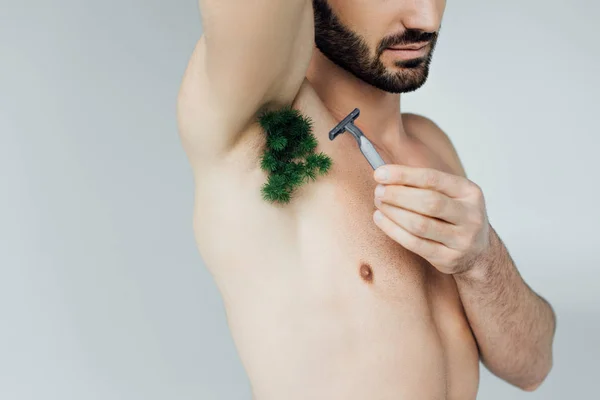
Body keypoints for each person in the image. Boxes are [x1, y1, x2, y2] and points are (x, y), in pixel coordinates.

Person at [176, 1, 556, 399]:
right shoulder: (257, 127)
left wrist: (482, 260)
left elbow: (532, 367)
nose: (426, 20)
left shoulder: (432, 146)